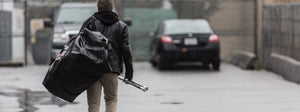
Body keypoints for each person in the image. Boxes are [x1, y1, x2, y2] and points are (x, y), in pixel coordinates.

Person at [79, 0, 133, 112]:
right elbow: (126, 51)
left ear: (98, 7)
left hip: (93, 70)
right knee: (111, 100)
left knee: (93, 104)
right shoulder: (122, 26)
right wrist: (129, 73)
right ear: (112, 7)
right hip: (112, 69)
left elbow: (78, 46)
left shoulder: (89, 23)